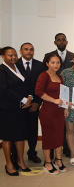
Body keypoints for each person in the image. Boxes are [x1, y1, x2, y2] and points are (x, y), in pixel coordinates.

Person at [11, 43, 45, 165]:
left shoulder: (40, 65)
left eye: (31, 50)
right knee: (17, 131)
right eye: (26, 49)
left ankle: (32, 153)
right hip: (18, 104)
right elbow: (12, 87)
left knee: (32, 129)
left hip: (34, 104)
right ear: (21, 51)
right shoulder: (14, 65)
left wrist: (37, 102)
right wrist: (22, 100)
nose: (29, 52)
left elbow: (43, 86)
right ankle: (14, 156)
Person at [0, 47, 31, 176]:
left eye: (15, 55)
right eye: (10, 55)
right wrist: (23, 99)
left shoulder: (19, 67)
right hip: (7, 109)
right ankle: (9, 164)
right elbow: (4, 90)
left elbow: (27, 84)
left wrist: (30, 97)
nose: (13, 57)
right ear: (3, 56)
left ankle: (20, 161)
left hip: (21, 109)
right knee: (7, 138)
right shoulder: (1, 70)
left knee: (20, 136)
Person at [35, 53, 67, 174]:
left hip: (59, 111)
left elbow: (62, 95)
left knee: (59, 136)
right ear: (47, 63)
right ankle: (47, 162)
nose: (56, 65)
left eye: (58, 62)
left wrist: (66, 108)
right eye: (53, 62)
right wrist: (54, 100)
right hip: (48, 111)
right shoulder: (44, 75)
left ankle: (58, 160)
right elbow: (38, 91)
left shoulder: (59, 77)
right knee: (48, 137)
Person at [43, 33, 74, 158]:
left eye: (63, 40)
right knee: (51, 127)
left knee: (63, 125)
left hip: (66, 93)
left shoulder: (73, 56)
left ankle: (65, 148)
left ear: (66, 42)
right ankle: (50, 150)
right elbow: (41, 86)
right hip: (52, 94)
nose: (61, 42)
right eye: (58, 40)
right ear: (55, 42)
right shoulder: (48, 56)